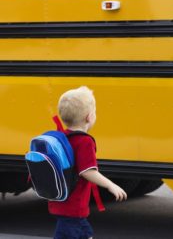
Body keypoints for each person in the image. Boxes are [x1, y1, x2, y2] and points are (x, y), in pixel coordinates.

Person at [49, 86, 127, 239]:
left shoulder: (62, 137)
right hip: (74, 206)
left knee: (78, 232)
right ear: (89, 117)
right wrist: (110, 185)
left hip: (61, 202)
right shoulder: (84, 141)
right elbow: (87, 171)